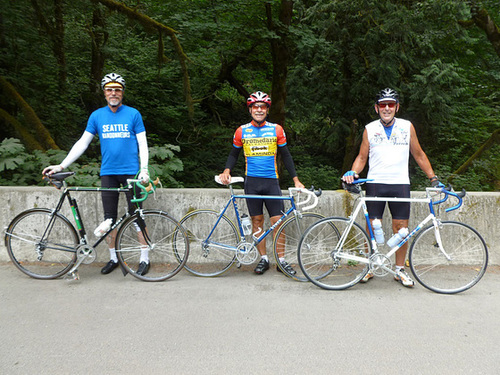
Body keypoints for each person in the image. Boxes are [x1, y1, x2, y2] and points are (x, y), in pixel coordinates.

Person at [42, 73, 150, 276]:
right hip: (108, 172)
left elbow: (143, 144)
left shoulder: (133, 114)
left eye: (117, 89)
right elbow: (82, 143)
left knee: (137, 216)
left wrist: (144, 169)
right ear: (104, 92)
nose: (113, 93)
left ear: (122, 92)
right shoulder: (97, 116)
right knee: (109, 219)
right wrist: (61, 165)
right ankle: (113, 258)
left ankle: (145, 258)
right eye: (109, 89)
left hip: (131, 172)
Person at [342, 87, 443, 287]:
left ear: (396, 107)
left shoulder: (407, 126)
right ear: (376, 108)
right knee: (372, 227)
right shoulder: (370, 128)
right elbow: (362, 157)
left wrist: (433, 178)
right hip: (375, 183)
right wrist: (353, 173)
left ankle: (399, 269)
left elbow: (419, 154)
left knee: (401, 229)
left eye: (390, 105)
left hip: (400, 184)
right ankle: (370, 266)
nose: (386, 108)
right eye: (382, 105)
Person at [219, 91, 305, 275]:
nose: (259, 110)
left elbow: (286, 155)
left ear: (267, 110)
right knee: (257, 221)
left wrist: (296, 180)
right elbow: (234, 154)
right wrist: (227, 170)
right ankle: (263, 259)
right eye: (255, 107)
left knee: (278, 222)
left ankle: (281, 261)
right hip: (252, 182)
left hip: (272, 181)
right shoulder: (241, 130)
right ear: (250, 109)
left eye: (262, 107)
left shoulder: (277, 129)